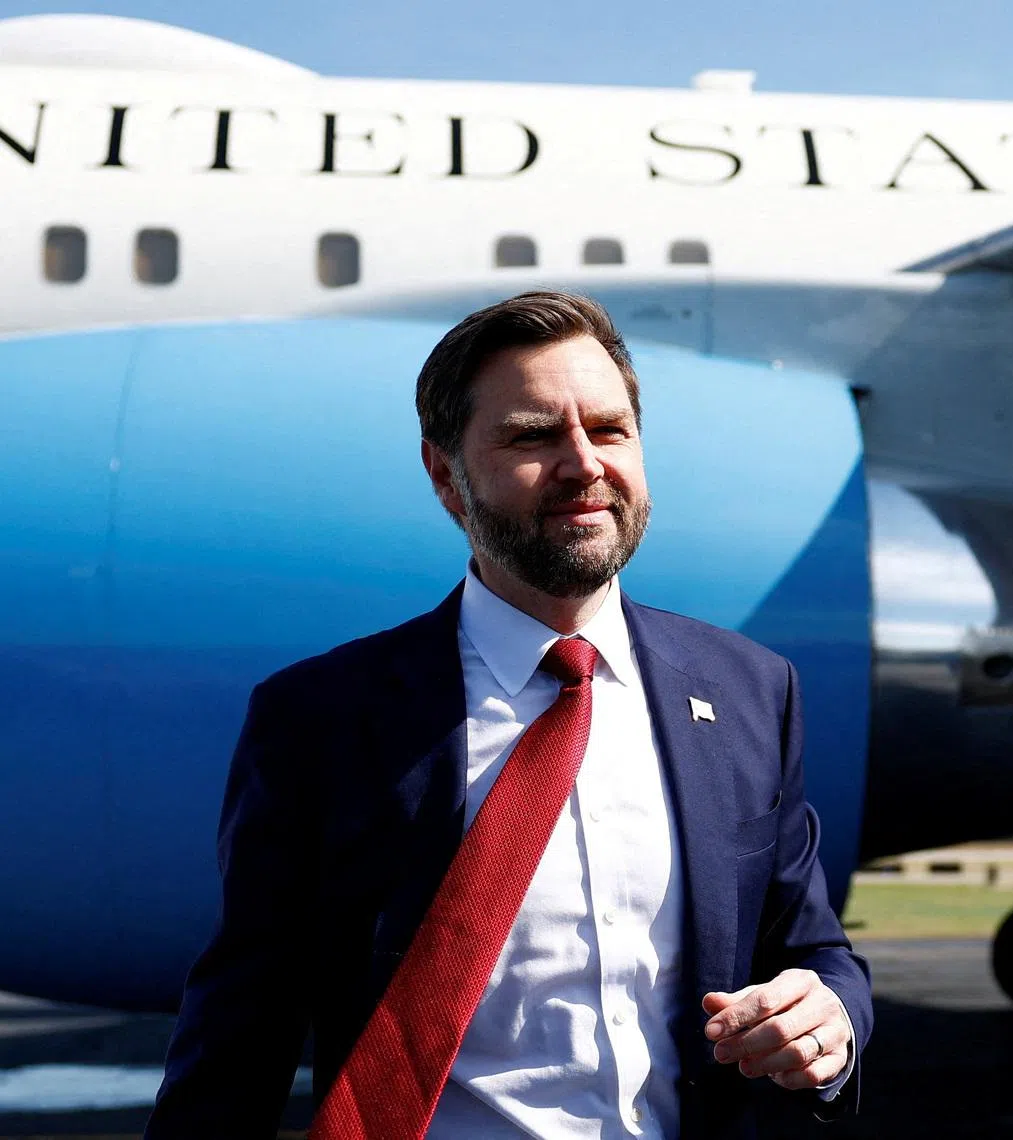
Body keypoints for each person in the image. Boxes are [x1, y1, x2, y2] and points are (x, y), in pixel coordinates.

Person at [145, 291, 871, 1139]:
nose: (583, 464)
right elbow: (240, 1034)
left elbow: (813, 951)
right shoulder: (321, 721)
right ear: (446, 476)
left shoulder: (751, 690)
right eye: (533, 435)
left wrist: (830, 1022)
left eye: (608, 429)